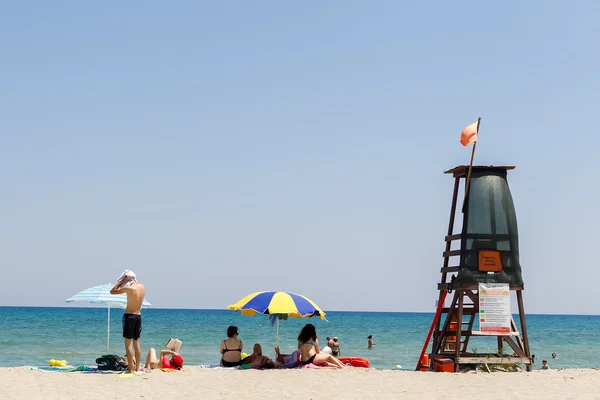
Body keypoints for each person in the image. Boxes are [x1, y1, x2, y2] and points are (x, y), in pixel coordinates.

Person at [110, 270, 146, 373]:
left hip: (129, 316)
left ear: (127, 278)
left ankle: (131, 369)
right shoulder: (142, 287)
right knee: (136, 343)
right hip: (138, 316)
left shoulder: (129, 288)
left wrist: (122, 281)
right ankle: (138, 367)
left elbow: (112, 291)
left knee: (128, 344)